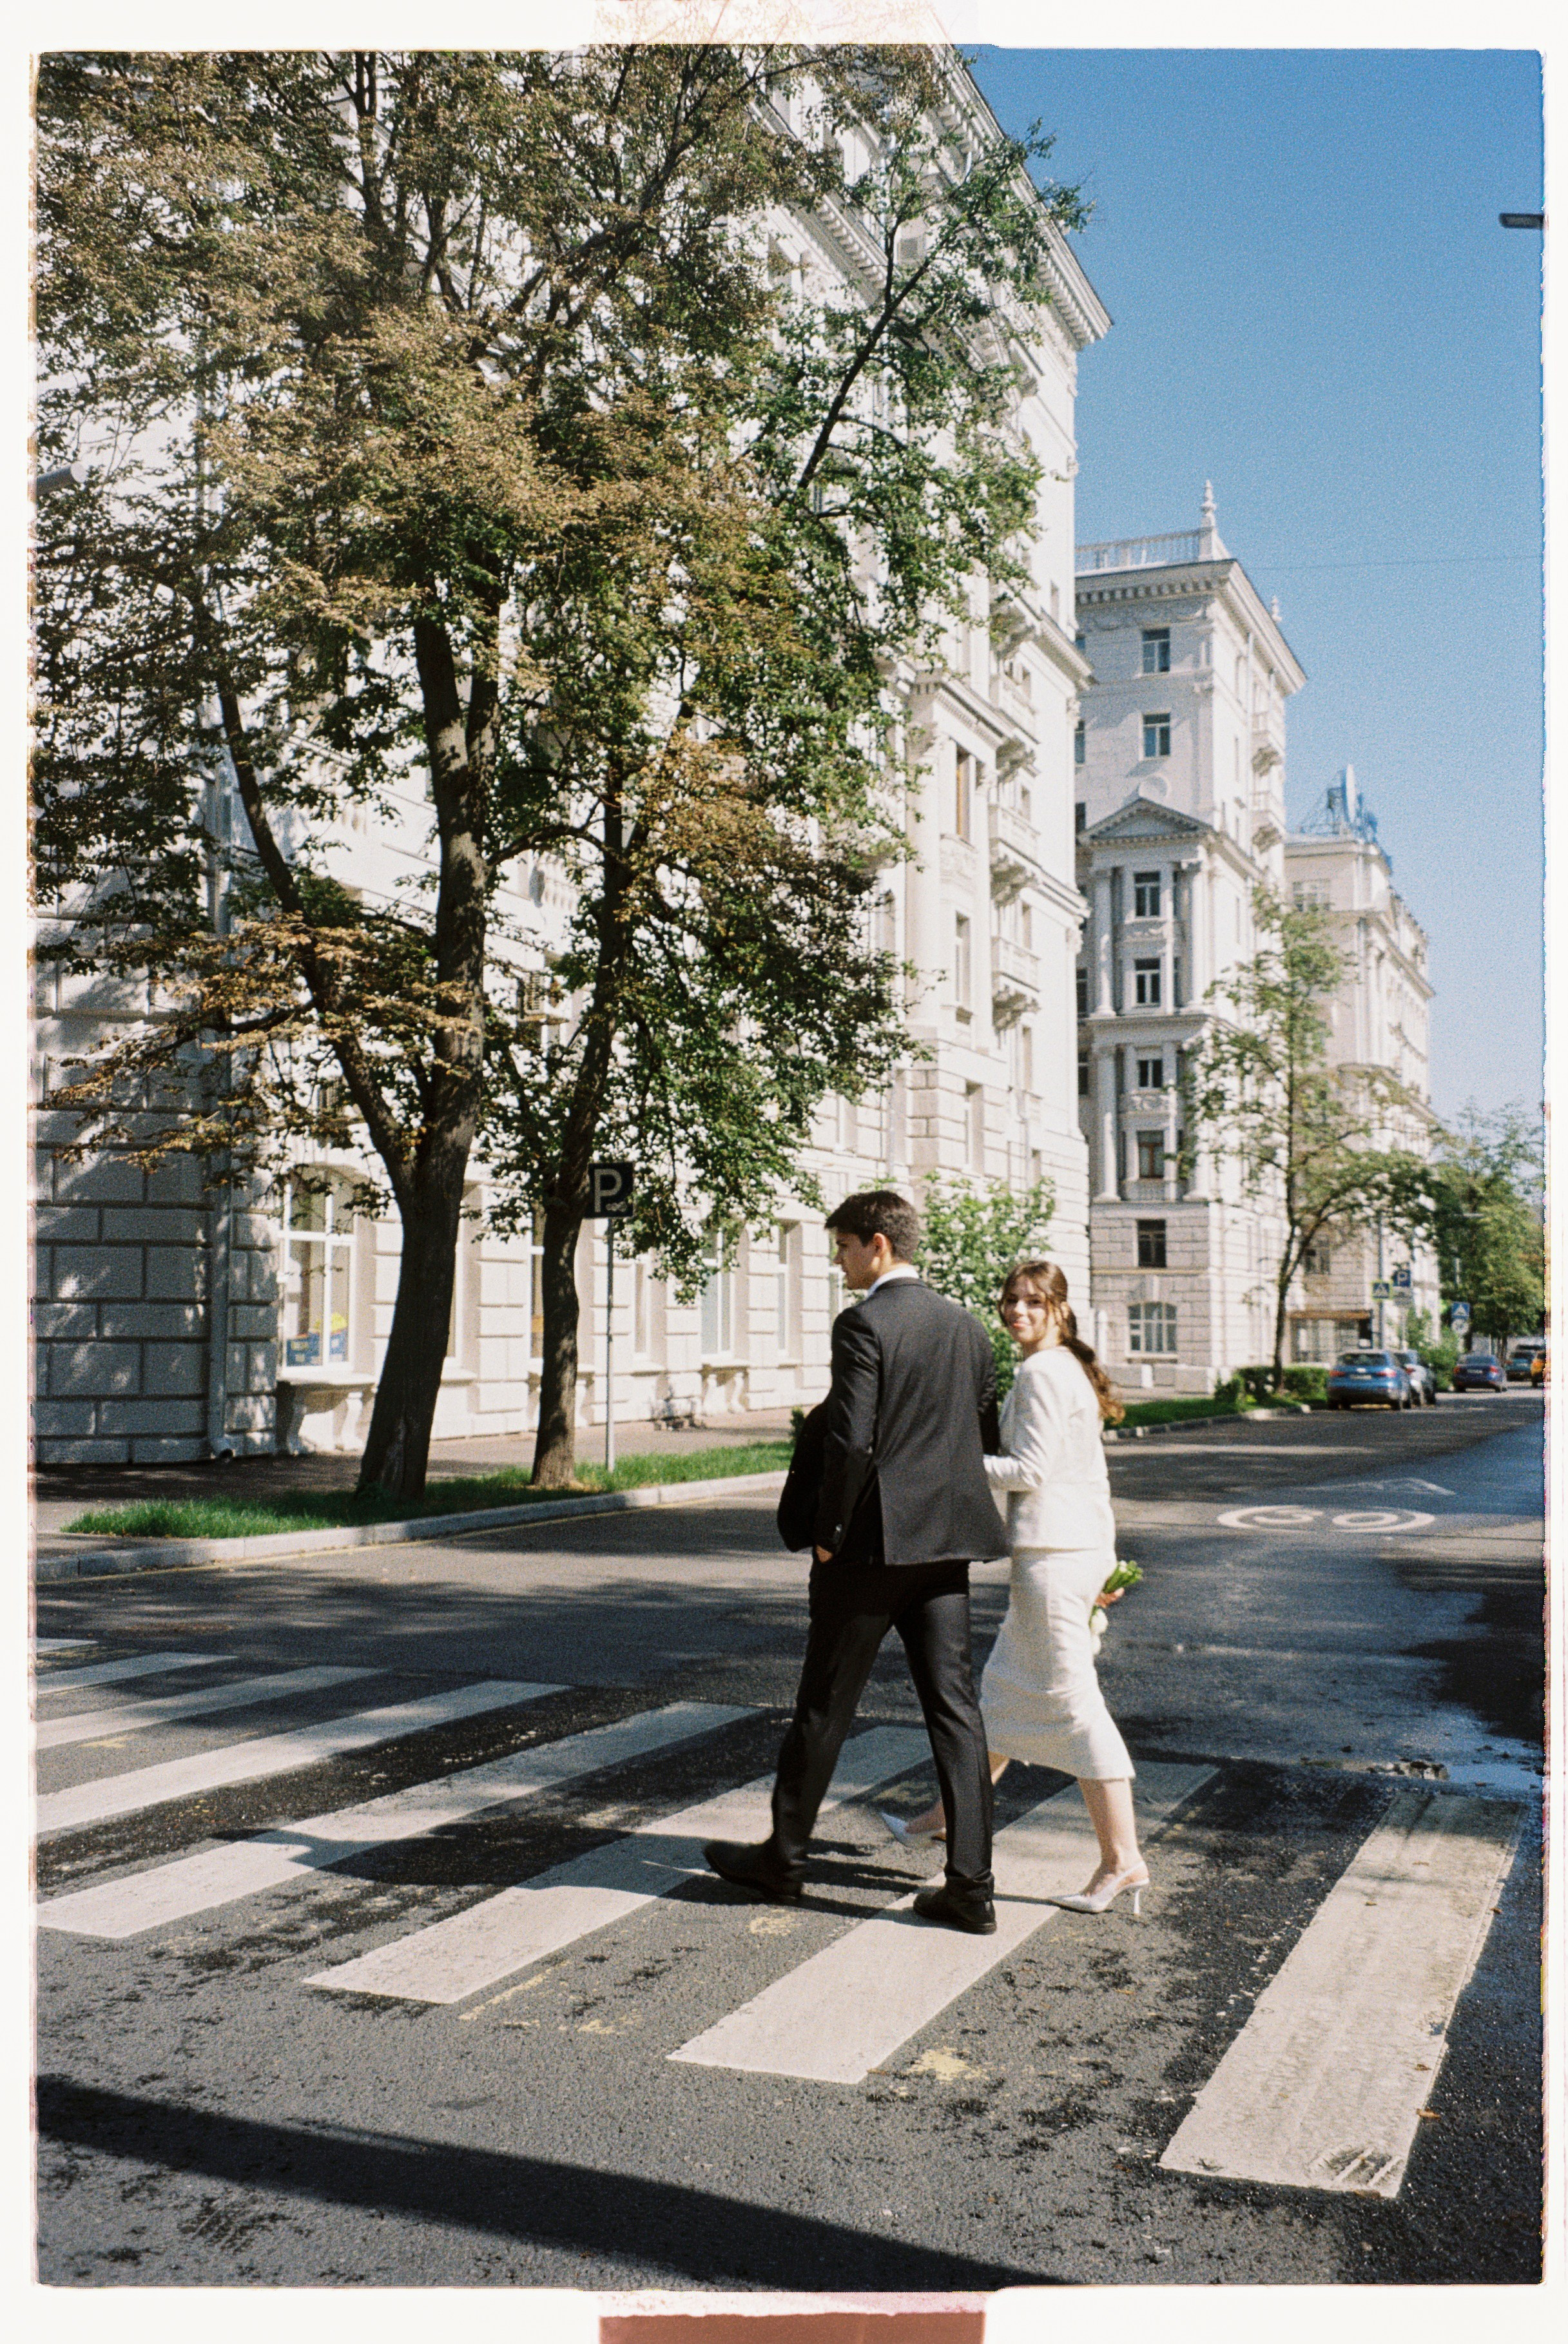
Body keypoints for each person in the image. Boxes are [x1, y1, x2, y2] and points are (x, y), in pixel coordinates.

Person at [703, 1189, 1009, 1934]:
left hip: (869, 1547)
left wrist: (829, 1532)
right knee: (957, 1712)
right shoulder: (968, 1329)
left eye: (842, 1246)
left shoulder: (864, 1322)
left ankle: (784, 1858)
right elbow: (984, 1431)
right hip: (946, 1548)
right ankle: (971, 1884)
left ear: (877, 1245)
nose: (839, 1260)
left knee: (825, 1703)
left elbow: (851, 1439)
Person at [884, 1260, 1147, 1916]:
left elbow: (1029, 1469)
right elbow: (1084, 1474)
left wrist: (943, 1458)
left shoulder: (1043, 1371)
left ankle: (1123, 1861)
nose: (1018, 1312)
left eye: (1034, 1302)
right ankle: (946, 1816)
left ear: (1059, 1308)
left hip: (1056, 1556)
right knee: (1001, 1695)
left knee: (1074, 1705)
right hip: (1068, 1550)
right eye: (1010, 1301)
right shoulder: (1066, 1369)